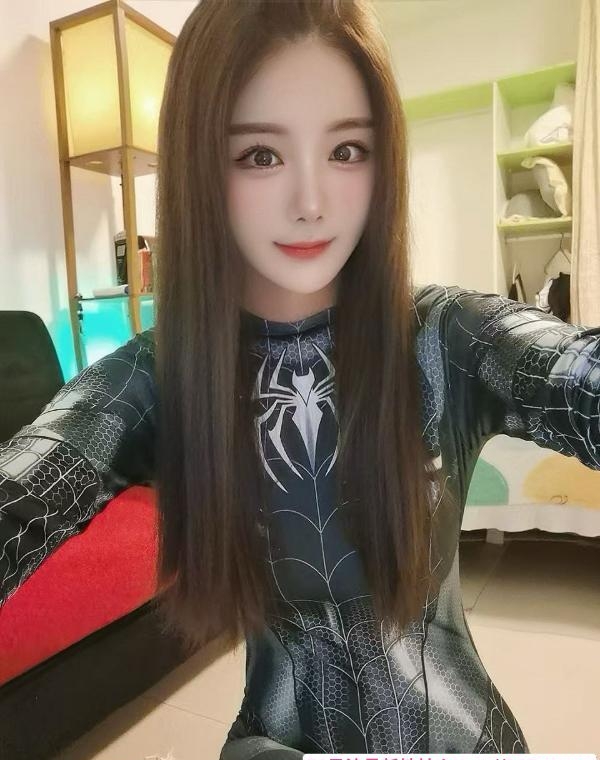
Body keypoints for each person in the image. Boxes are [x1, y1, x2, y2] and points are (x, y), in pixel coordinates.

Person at [1, 1, 599, 757]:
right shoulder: (164, 374)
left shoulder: (445, 335)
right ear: (198, 167)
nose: (312, 202)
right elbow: (27, 482)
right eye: (261, 154)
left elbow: (573, 371)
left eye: (347, 149)